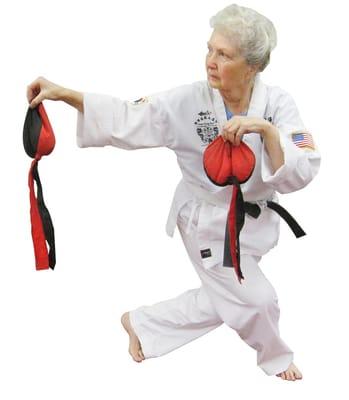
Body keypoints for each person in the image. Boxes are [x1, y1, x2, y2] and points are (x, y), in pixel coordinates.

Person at [26, 4, 320, 381]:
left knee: (226, 301)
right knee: (258, 300)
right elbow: (128, 115)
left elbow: (302, 168)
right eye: (210, 49)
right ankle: (276, 357)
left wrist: (266, 130)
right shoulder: (189, 102)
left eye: (224, 55)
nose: (210, 61)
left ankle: (141, 324)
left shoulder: (278, 105)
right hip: (206, 222)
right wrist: (64, 94)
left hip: (253, 224)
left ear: (253, 67)